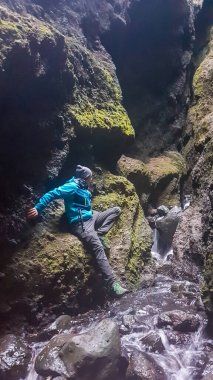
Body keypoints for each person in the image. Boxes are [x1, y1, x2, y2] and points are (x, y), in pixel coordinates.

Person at [27, 165, 128, 297]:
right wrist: (38, 208)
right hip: (81, 224)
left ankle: (100, 233)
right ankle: (113, 284)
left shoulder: (83, 186)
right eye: (90, 177)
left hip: (91, 216)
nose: (91, 179)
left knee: (115, 211)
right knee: (98, 247)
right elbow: (53, 193)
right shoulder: (72, 186)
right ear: (86, 177)